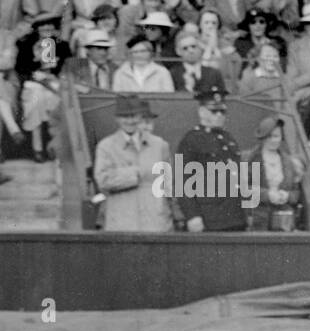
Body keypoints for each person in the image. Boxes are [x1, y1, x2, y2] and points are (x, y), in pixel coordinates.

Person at [93, 95, 173, 231]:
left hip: (155, 222)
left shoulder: (159, 145)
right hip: (122, 222)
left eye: (133, 116)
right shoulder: (106, 146)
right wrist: (133, 174)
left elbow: (168, 185)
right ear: (117, 119)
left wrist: (168, 217)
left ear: (140, 117)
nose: (130, 121)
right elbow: (103, 179)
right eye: (124, 116)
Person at [176, 83, 247, 232]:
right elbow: (182, 182)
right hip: (209, 218)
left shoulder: (228, 138)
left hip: (235, 216)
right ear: (202, 112)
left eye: (223, 111)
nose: (220, 115)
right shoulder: (192, 140)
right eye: (214, 111)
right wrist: (192, 216)